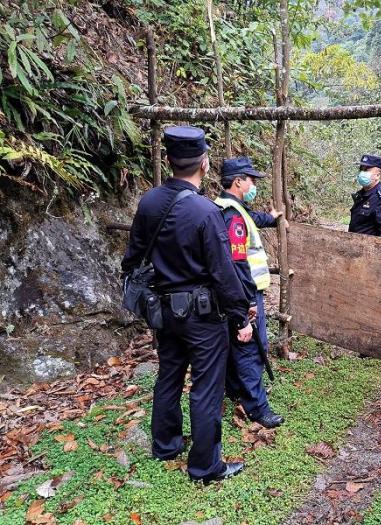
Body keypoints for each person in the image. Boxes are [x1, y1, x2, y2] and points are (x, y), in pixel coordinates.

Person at [121, 126, 250, 483]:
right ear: (205, 164)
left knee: (169, 375)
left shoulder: (148, 202)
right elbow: (224, 273)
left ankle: (165, 445)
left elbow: (131, 259)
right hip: (202, 315)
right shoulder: (205, 211)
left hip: (163, 312)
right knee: (207, 385)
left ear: (169, 161)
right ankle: (206, 466)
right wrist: (240, 315)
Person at [214, 157, 286, 429]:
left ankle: (234, 390)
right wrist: (245, 302)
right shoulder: (233, 216)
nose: (254, 184)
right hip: (245, 293)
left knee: (235, 344)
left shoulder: (226, 207)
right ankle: (257, 408)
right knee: (252, 348)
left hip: (232, 293)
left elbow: (252, 218)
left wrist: (272, 217)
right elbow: (238, 262)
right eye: (251, 179)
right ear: (238, 181)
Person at [348, 154, 381, 238]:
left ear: (378, 175)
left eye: (367, 170)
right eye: (361, 169)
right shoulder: (361, 195)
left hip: (369, 248)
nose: (362, 173)